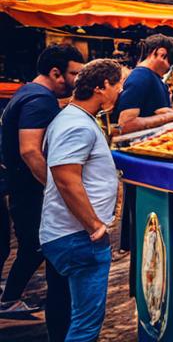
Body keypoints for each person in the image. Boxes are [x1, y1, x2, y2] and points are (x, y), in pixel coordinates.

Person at [40, 58, 124, 342]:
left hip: (72, 234)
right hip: (78, 236)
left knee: (79, 317)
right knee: (86, 324)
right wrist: (94, 226)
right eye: (117, 84)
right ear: (101, 87)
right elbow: (65, 178)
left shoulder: (75, 118)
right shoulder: (76, 124)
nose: (119, 91)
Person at [0, 44, 83, 315]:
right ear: (56, 73)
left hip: (22, 187)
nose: (76, 81)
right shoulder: (40, 99)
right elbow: (30, 150)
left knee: (32, 246)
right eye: (74, 74)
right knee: (35, 247)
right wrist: (56, 187)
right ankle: (9, 300)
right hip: (28, 190)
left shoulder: (28, 92)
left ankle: (9, 298)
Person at [114, 34, 173, 134]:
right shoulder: (140, 76)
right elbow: (126, 124)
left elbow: (155, 111)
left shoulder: (151, 77)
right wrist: (168, 117)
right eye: (171, 62)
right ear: (161, 54)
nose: (171, 68)